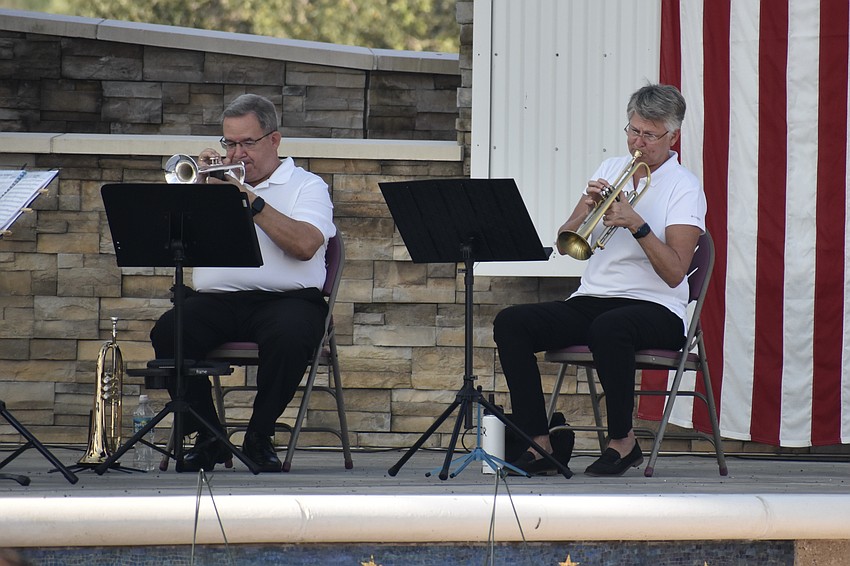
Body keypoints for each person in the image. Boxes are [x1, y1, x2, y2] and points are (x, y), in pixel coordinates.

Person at [493, 84, 706, 477]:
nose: (637, 143)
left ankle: (623, 442)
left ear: (673, 136)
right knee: (511, 322)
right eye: (633, 130)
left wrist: (638, 226)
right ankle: (539, 443)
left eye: (649, 135)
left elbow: (676, 272)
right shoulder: (610, 169)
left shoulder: (685, 187)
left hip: (657, 307)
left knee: (611, 328)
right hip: (594, 298)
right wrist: (588, 208)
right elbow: (565, 240)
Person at [150, 93, 335, 473]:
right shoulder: (213, 185)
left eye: (247, 143)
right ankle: (208, 436)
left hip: (288, 301)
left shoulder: (307, 185)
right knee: (169, 331)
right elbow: (169, 238)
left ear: (274, 140)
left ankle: (259, 435)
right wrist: (199, 191)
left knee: (292, 333)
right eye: (229, 143)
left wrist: (246, 198)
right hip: (217, 302)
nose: (238, 154)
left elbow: (304, 245)